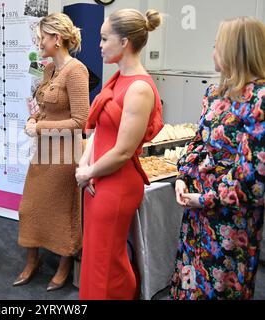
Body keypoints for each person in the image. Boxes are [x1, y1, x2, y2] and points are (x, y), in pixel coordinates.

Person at [170, 16, 265, 300]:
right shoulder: (214, 93)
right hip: (196, 213)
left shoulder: (259, 98)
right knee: (188, 281)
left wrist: (207, 198)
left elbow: (255, 176)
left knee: (220, 288)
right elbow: (199, 140)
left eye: (216, 46)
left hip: (230, 220)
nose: (213, 52)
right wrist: (183, 175)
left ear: (236, 51)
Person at [75, 9, 163, 300]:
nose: (99, 45)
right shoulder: (119, 78)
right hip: (99, 176)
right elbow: (100, 127)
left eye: (103, 39)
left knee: (106, 261)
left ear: (124, 41)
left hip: (117, 183)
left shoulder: (139, 87)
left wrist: (89, 172)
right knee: (97, 257)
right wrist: (85, 164)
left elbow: (124, 150)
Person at [15, 13, 89, 291]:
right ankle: (32, 259)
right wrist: (34, 119)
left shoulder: (76, 70)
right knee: (30, 207)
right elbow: (45, 108)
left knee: (61, 211)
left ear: (57, 39)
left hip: (65, 153)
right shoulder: (49, 70)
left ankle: (64, 263)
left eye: (42, 38)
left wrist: (42, 126)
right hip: (43, 150)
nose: (39, 42)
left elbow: (82, 121)